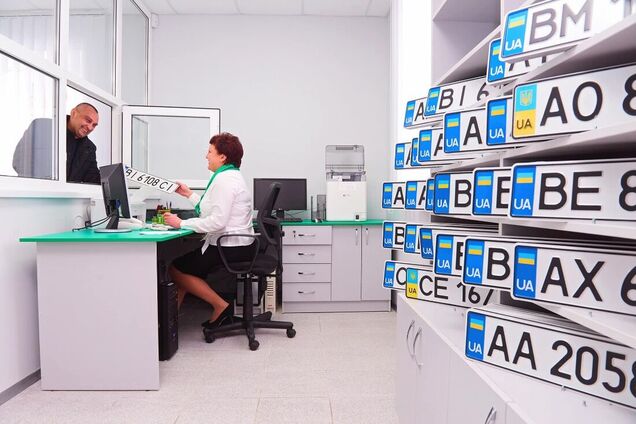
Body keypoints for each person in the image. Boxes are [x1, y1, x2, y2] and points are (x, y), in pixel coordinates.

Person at [163, 132, 255, 328]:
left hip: (229, 247)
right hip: (238, 245)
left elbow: (218, 222)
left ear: (222, 157)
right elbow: (210, 209)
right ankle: (170, 325)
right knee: (185, 267)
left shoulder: (225, 181)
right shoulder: (229, 176)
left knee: (176, 269)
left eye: (210, 152)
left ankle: (220, 305)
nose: (206, 156)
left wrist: (181, 223)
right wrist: (188, 194)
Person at [65, 103, 100, 183]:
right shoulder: (48, 128)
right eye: (88, 120)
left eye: (94, 125)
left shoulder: (90, 148)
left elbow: (92, 178)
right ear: (74, 113)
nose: (90, 127)